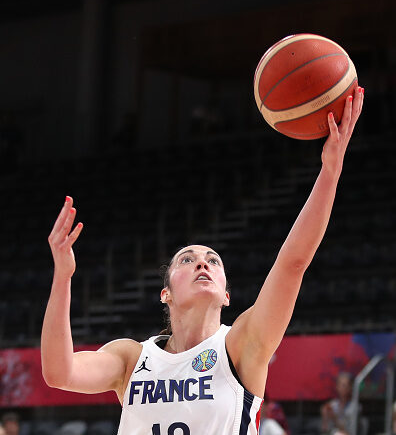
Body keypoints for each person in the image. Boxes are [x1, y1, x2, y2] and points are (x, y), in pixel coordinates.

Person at [41, 87, 364, 435]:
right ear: (165, 293)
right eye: (187, 260)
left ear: (227, 295)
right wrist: (63, 276)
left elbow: (293, 262)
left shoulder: (242, 344)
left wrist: (330, 172)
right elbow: (59, 373)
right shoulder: (131, 359)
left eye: (213, 260)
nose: (202, 263)